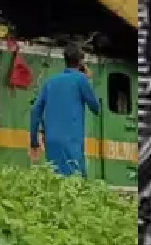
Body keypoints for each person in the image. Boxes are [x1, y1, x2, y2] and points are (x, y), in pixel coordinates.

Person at [28, 45, 102, 176]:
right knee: (76, 182)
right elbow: (96, 108)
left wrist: (34, 142)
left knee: (56, 180)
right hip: (71, 142)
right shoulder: (81, 80)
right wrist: (88, 81)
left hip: (51, 141)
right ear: (81, 62)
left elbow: (35, 111)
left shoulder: (50, 82)